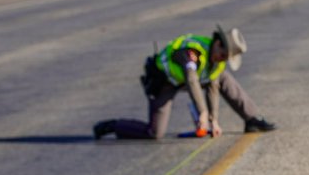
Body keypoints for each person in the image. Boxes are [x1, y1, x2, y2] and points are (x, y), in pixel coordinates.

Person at [93, 26, 276, 140]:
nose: (222, 60)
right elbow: (191, 79)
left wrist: (213, 120)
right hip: (165, 81)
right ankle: (112, 126)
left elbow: (212, 86)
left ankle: (252, 119)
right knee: (155, 133)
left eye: (226, 58)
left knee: (224, 78)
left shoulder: (217, 62)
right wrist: (203, 112)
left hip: (189, 81)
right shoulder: (193, 51)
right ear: (218, 43)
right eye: (223, 55)